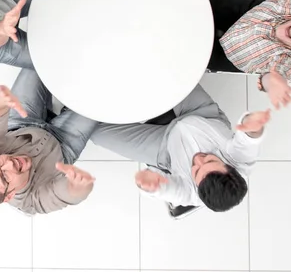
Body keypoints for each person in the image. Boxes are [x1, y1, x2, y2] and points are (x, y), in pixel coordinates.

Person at [91, 85, 270, 213]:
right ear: (231, 167)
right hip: (201, 115)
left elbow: (168, 190)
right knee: (167, 68)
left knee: (97, 133)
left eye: (196, 171)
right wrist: (253, 124)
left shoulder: (190, 194)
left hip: (165, 148)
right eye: (210, 160)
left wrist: (153, 184)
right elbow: (249, 138)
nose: (198, 159)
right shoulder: (241, 160)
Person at [0, 69, 97, 215]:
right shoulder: (31, 201)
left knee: (39, 62)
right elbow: (64, 195)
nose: (9, 163)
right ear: (9, 196)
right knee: (97, 101)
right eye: (4, 177)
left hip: (22, 122)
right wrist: (77, 187)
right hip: (62, 146)